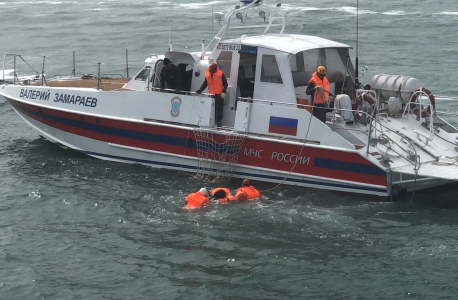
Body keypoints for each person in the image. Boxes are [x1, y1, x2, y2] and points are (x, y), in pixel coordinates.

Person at [195, 63, 228, 127]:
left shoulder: (221, 74)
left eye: (212, 71)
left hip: (220, 94)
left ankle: (219, 121)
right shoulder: (208, 75)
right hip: (212, 95)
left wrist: (224, 92)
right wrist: (199, 91)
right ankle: (212, 121)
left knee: (220, 109)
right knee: (212, 109)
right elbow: (205, 84)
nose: (211, 72)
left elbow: (225, 84)